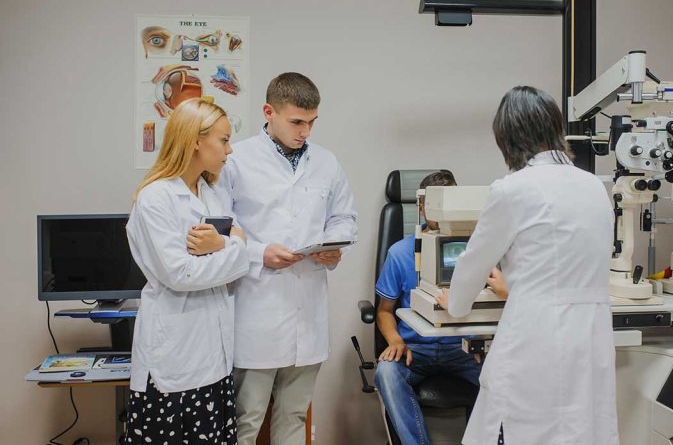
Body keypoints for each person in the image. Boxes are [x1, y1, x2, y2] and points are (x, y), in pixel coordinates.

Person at [438, 86, 618, 445]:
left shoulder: (512, 189)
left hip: (537, 335)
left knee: (521, 427)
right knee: (581, 430)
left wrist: (454, 304)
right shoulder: (595, 186)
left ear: (507, 139)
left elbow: (473, 265)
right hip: (592, 334)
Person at [220, 72, 358, 444]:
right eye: (297, 122)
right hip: (256, 309)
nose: (305, 131)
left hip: (308, 313)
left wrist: (333, 246)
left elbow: (344, 216)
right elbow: (221, 226)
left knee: (294, 416)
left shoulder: (326, 162)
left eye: (312, 122)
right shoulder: (237, 160)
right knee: (246, 420)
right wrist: (258, 252)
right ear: (269, 112)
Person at [126, 97, 250, 444]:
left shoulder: (211, 194)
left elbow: (238, 251)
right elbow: (181, 274)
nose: (230, 150)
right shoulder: (155, 198)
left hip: (215, 358)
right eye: (224, 140)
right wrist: (235, 248)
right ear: (196, 140)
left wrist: (223, 245)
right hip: (174, 361)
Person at [374, 170, 507, 445]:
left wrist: (482, 341)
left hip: (463, 349)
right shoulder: (400, 253)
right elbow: (384, 311)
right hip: (415, 351)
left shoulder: (478, 251)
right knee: (386, 373)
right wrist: (395, 340)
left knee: (502, 378)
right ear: (422, 207)